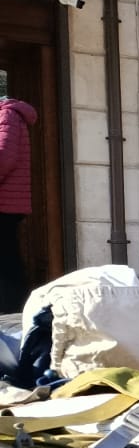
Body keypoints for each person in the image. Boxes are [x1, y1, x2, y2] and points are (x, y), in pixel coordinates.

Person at [0, 92, 36, 313]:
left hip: (5, 205)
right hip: (7, 204)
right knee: (7, 260)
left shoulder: (7, 115)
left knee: (6, 263)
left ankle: (14, 315)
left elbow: (4, 158)